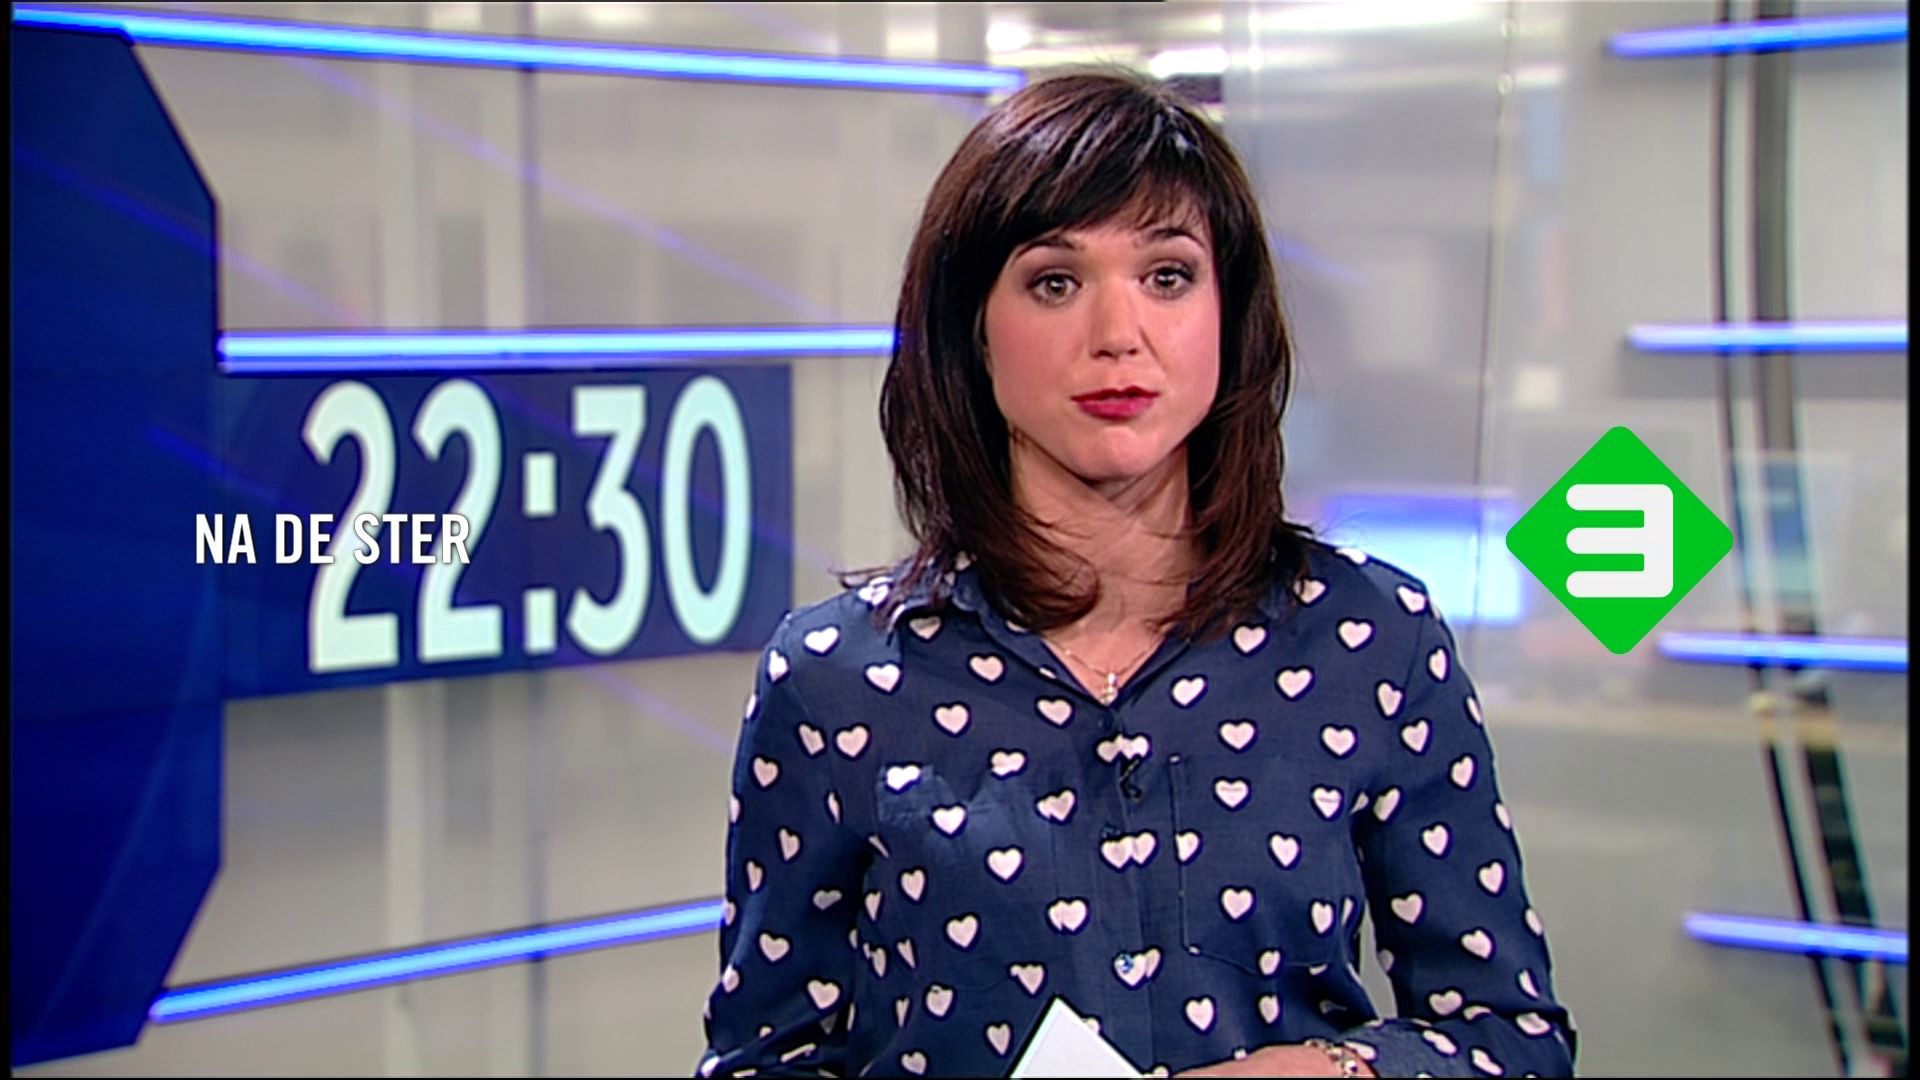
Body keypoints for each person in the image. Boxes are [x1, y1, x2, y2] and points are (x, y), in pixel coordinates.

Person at [697, 70, 1576, 1079]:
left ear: (1228, 312)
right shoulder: (837, 679)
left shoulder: (1373, 640)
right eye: (1055, 283)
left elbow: (1512, 1039)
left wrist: (1323, 1072)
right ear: (972, 327)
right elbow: (764, 1059)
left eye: (1167, 276)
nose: (1119, 335)